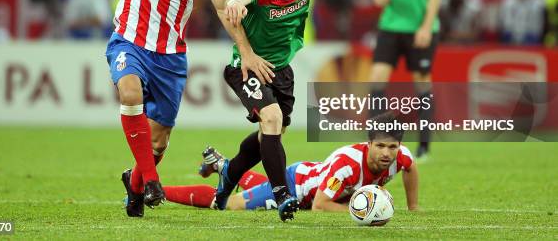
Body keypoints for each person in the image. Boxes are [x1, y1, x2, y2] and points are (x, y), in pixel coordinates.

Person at [22, 0, 272, 218]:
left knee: (158, 144)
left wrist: (246, 51)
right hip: (129, 41)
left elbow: (222, 7)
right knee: (129, 92)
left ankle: (136, 183)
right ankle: (152, 181)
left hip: (170, 57)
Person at [217, 0, 409, 221]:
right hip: (247, 68)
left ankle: (229, 173)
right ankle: (282, 194)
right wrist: (236, 13)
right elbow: (237, 1)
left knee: (269, 135)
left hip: (281, 70)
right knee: (272, 119)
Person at [163, 115, 418, 212]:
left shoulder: (400, 156)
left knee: (256, 187)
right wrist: (362, 212)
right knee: (228, 204)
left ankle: (221, 165)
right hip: (296, 186)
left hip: (312, 176)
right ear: (368, 143)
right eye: (380, 146)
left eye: (392, 147)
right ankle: (158, 190)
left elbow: (411, 168)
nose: (386, 153)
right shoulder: (347, 166)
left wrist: (413, 206)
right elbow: (320, 205)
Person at [369, 0, 446, 160]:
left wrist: (426, 26)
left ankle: (424, 147)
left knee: (422, 84)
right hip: (390, 25)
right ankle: (375, 142)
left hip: (420, 28)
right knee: (376, 81)